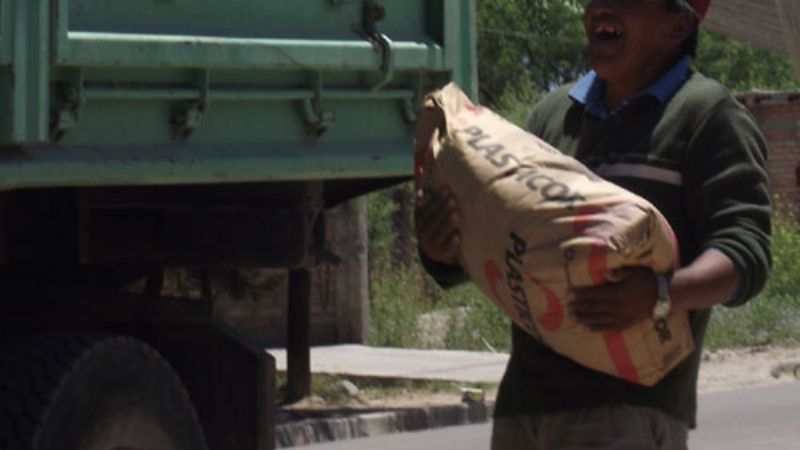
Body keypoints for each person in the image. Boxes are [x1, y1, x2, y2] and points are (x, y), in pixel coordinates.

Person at [414, 0, 772, 448]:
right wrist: (443, 250)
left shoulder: (707, 115)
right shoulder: (553, 115)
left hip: (627, 411)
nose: (600, 8)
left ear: (678, 26)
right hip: (524, 408)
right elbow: (506, 237)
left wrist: (660, 294)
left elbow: (745, 254)